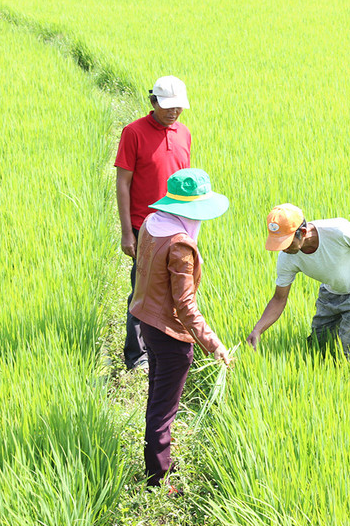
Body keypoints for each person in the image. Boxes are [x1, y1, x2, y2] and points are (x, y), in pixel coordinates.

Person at [129, 168, 231, 487]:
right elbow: (185, 306)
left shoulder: (152, 223)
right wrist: (214, 344)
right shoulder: (180, 245)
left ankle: (155, 463)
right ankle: (158, 479)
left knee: (157, 398)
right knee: (164, 408)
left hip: (146, 321)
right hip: (170, 335)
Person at [246, 204, 350, 358]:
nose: (283, 249)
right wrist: (258, 329)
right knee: (318, 346)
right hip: (331, 292)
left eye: (287, 242)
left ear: (302, 232)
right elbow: (279, 298)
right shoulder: (287, 258)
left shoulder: (338, 231)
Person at [115, 75, 193, 370]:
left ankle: (166, 343)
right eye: (168, 106)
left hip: (177, 227)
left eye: (179, 107)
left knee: (176, 289)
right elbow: (123, 183)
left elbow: (185, 185)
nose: (174, 112)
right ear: (153, 102)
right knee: (142, 290)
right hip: (144, 226)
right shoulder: (133, 132)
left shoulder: (184, 133)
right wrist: (127, 233)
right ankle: (136, 355)